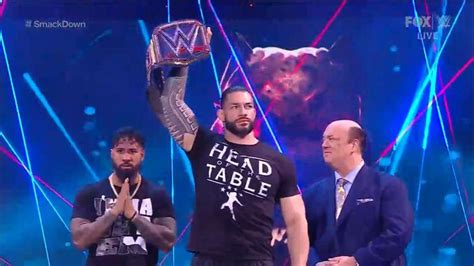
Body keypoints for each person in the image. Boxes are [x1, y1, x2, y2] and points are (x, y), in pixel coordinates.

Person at [146, 30, 309, 266]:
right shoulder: (203, 144)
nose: (243, 112)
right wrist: (184, 62)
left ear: (254, 111)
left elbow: (296, 220)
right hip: (209, 260)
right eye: (234, 107)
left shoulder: (278, 161)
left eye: (248, 106)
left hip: (256, 260)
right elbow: (172, 104)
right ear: (221, 114)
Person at [303, 120, 414, 266]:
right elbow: (302, 237)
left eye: (331, 139)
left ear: (353, 145)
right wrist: (315, 263)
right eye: (323, 139)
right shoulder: (314, 192)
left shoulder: (388, 186)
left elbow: (398, 234)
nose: (324, 145)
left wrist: (357, 261)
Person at [71, 127, 176, 266]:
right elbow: (79, 241)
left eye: (132, 151)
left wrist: (134, 216)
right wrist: (113, 213)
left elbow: (167, 243)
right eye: (120, 151)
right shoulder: (90, 193)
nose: (126, 157)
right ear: (112, 154)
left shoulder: (157, 194)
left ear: (142, 155)